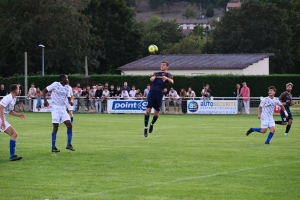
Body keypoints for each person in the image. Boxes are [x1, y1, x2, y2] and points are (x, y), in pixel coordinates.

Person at [43, 74, 75, 152]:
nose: (67, 80)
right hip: (55, 108)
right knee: (56, 127)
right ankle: (53, 147)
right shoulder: (55, 84)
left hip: (63, 108)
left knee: (69, 125)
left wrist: (70, 101)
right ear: (62, 79)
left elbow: (68, 97)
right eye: (67, 78)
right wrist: (45, 100)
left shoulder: (67, 87)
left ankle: (69, 144)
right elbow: (44, 90)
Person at [144, 61, 174, 137]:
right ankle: (145, 127)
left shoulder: (168, 74)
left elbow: (172, 82)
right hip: (152, 93)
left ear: (167, 67)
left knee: (156, 114)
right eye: (161, 65)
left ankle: (152, 124)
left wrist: (166, 78)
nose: (162, 66)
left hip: (159, 94)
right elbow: (151, 78)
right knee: (148, 111)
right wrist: (153, 78)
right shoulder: (156, 73)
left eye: (164, 65)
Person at [0, 84, 25, 161]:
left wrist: (18, 115)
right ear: (15, 90)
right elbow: (0, 108)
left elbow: (10, 111)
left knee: (14, 134)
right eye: (18, 88)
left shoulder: (13, 99)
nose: (19, 90)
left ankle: (12, 155)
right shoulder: (8, 98)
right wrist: (3, 121)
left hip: (1, 119)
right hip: (0, 120)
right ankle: (12, 156)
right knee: (14, 134)